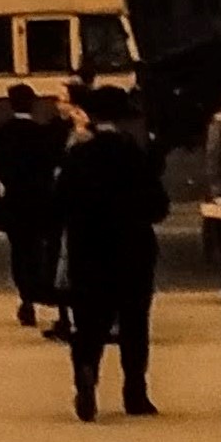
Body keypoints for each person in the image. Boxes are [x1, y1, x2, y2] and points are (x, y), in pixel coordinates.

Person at [55, 86, 169, 422]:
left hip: (87, 248)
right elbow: (158, 206)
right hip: (132, 247)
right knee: (134, 321)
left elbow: (59, 203)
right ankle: (135, 391)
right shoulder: (135, 155)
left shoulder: (78, 156)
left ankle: (87, 371)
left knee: (89, 320)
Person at [0, 84, 67, 331]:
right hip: (43, 202)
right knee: (45, 251)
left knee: (20, 251)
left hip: (14, 205)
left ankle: (26, 298)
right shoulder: (43, 136)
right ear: (34, 103)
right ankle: (46, 295)